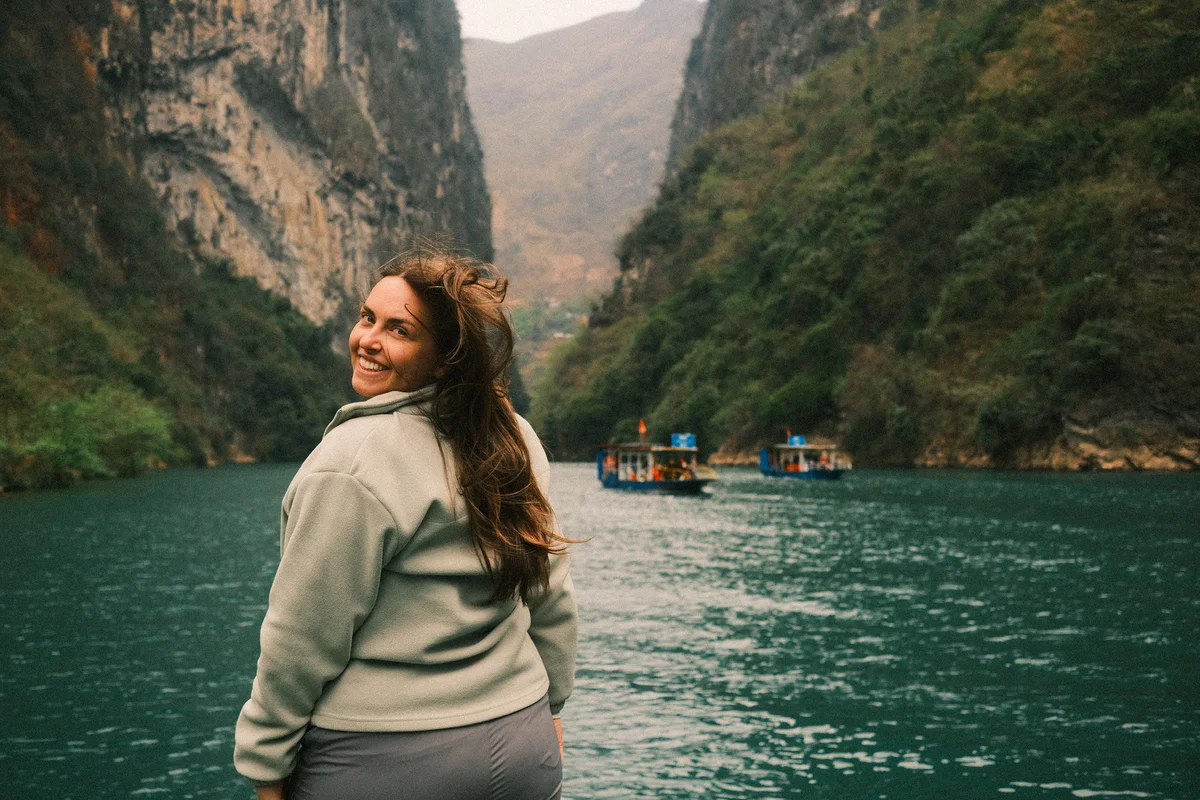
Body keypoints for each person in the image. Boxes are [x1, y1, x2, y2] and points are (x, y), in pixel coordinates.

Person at [234, 249, 578, 800]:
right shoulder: (512, 436)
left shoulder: (350, 461)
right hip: (522, 742)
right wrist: (551, 708)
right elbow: (550, 592)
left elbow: (302, 637)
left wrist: (265, 766)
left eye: (399, 330)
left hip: (387, 761)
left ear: (443, 358)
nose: (368, 339)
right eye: (367, 317)